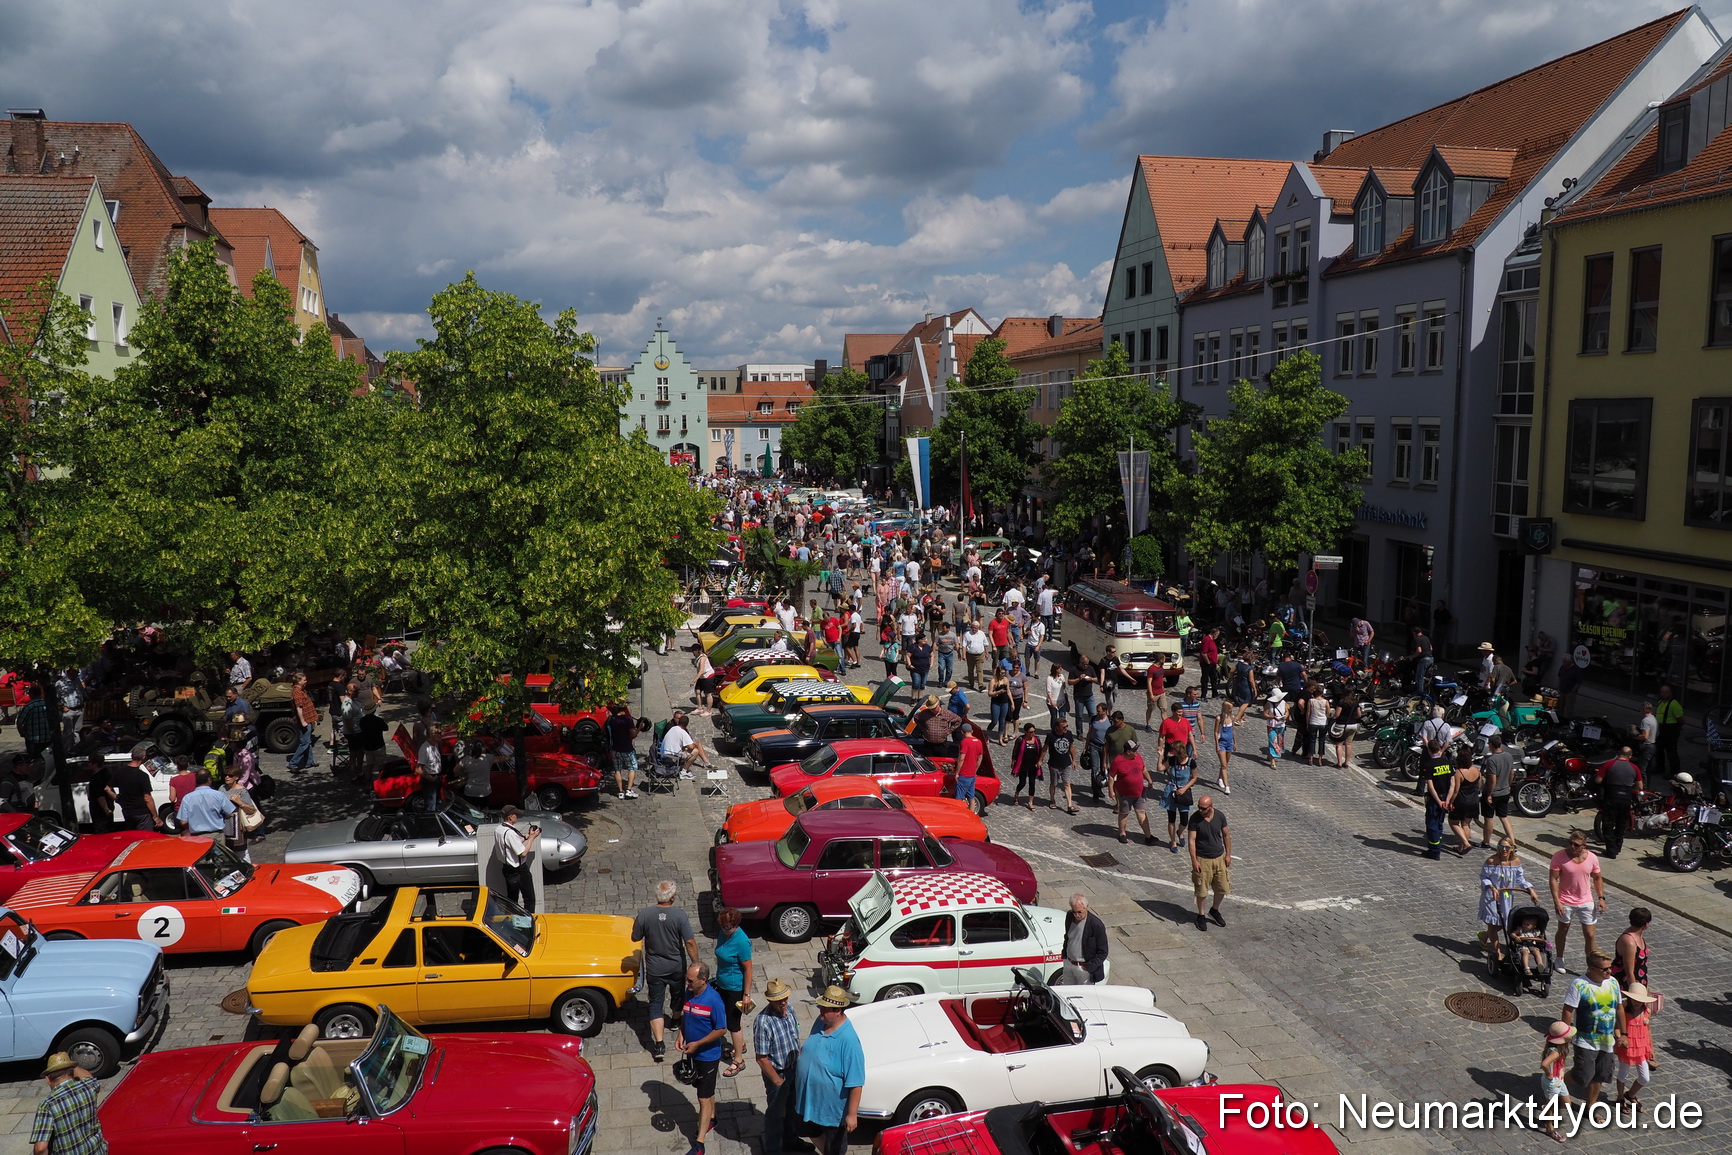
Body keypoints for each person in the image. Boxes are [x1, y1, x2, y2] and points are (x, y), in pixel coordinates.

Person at [794, 987, 866, 1155]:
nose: (820, 1011)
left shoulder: (849, 1041)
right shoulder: (822, 1021)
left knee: (835, 1147)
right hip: (809, 1101)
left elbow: (856, 1081)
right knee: (808, 1130)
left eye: (825, 1008)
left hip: (832, 1111)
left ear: (838, 1011)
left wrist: (852, 1115)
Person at [633, 880, 700, 1061]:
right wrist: (696, 962)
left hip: (655, 968)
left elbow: (635, 936)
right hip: (676, 966)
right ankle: (676, 1019)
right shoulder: (679, 916)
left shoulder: (645, 915)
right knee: (678, 993)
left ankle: (659, 1044)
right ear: (673, 897)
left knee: (655, 1003)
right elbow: (690, 942)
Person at [1560, 951, 1625, 1107]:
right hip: (1585, 1040)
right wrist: (1566, 1034)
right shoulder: (1579, 985)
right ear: (1592, 968)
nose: (1610, 971)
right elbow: (1568, 1010)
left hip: (1607, 1040)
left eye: (1610, 967)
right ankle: (1557, 1085)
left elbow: (1619, 1008)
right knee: (1582, 1075)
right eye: (1605, 969)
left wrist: (1624, 1033)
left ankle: (1590, 1107)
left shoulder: (1613, 983)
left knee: (1599, 1076)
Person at [677, 963, 728, 1155]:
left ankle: (700, 1144)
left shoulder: (714, 1001)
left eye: (691, 980)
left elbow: (722, 1029)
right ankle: (712, 1118)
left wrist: (698, 1044)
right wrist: (681, 1034)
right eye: (686, 979)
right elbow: (686, 1015)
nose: (687, 983)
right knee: (705, 1088)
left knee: (703, 1097)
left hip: (707, 1056)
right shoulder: (690, 992)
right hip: (693, 1052)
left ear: (703, 980)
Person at [754, 978, 802, 1153]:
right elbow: (761, 1058)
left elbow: (795, 1035)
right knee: (776, 1115)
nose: (783, 1002)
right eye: (778, 1000)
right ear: (770, 1000)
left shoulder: (790, 1009)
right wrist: (776, 1081)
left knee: (792, 1109)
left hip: (793, 1068)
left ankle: (791, 1141)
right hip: (778, 1074)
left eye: (785, 998)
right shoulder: (763, 1022)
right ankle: (773, 1149)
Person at [1550, 832, 1606, 973]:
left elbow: (1597, 878)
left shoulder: (1592, 858)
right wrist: (1557, 901)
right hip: (1565, 900)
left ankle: (1591, 965)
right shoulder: (1559, 856)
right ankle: (1559, 958)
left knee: (1590, 935)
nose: (1572, 846)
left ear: (1584, 846)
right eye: (1570, 843)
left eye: (1576, 844)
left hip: (1586, 900)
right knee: (1563, 930)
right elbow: (1553, 879)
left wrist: (1601, 898)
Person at [30, 1052, 103, 1155]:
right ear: (72, 1072)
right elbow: (87, 1075)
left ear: (47, 1079)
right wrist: (70, 1063)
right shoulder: (89, 1086)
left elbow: (41, 1148)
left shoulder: (48, 1105)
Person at [1478, 841, 1538, 962]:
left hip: (1506, 897)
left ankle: (1484, 935)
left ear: (1512, 849)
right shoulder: (1491, 861)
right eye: (1501, 847)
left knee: (1504, 923)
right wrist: (1491, 887)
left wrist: (1530, 889)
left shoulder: (1516, 862)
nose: (1504, 850)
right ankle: (1497, 953)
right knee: (1493, 923)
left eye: (1507, 847)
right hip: (1491, 896)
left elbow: (1520, 878)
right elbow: (1484, 876)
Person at [712, 907, 755, 1078]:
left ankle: (739, 1060)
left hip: (735, 988)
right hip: (722, 983)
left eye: (728, 927)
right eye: (722, 927)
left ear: (736, 924)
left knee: (733, 1023)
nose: (724, 930)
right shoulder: (724, 933)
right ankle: (740, 1045)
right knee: (727, 1018)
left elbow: (748, 969)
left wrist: (746, 994)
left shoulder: (742, 941)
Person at [1188, 794, 1230, 932]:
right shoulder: (1194, 819)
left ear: (1211, 807)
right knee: (1201, 890)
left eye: (1203, 808)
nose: (1200, 810)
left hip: (1219, 858)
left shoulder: (1219, 816)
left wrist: (1228, 855)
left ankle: (1215, 910)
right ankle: (1201, 915)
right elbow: (1192, 840)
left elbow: (1226, 835)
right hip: (1202, 859)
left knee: (1222, 887)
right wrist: (1194, 860)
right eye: (1199, 807)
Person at [1614, 983, 1657, 1108]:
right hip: (1627, 1048)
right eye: (1635, 999)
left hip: (1641, 1047)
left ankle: (1631, 1094)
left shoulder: (1646, 1012)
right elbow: (1617, 1028)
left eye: (1640, 1000)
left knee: (1645, 1078)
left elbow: (1648, 1030)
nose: (1638, 1002)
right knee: (1623, 1074)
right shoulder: (1624, 1012)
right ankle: (1620, 1098)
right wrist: (1620, 1038)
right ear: (1630, 998)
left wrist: (1651, 1048)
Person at [1598, 746, 1641, 859]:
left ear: (1618, 753)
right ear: (1630, 756)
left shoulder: (1609, 764)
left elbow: (1598, 780)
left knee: (1608, 824)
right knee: (1621, 823)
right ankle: (1618, 846)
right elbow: (1640, 786)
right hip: (1626, 797)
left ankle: (1611, 850)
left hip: (1611, 796)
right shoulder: (1634, 768)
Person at [495, 806, 539, 913]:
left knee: (512, 900)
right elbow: (522, 853)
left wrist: (526, 837)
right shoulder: (510, 833)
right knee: (529, 899)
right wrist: (532, 839)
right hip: (519, 870)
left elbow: (511, 844)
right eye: (516, 814)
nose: (517, 816)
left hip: (507, 869)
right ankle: (528, 923)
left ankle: (512, 921)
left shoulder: (499, 829)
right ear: (510, 817)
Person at [1111, 739, 1154, 845]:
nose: (1137, 752)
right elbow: (1111, 776)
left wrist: (1149, 780)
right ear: (1128, 752)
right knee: (1124, 813)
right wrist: (1111, 790)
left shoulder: (1138, 757)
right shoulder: (1117, 761)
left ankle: (1148, 836)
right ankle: (1122, 834)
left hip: (1139, 792)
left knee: (1141, 812)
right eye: (1134, 750)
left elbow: (1143, 769)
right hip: (1125, 794)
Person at [112, 744, 163, 832]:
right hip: (142, 812)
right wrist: (155, 816)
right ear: (143, 757)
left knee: (132, 836)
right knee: (145, 837)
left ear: (132, 756)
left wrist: (117, 798)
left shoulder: (120, 772)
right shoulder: (142, 776)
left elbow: (107, 788)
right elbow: (147, 798)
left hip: (127, 811)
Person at [1538, 1022, 1576, 1138]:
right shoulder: (1555, 1052)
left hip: (1560, 1081)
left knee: (1567, 1103)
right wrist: (1548, 1073)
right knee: (1551, 1105)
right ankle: (1549, 1127)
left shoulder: (1559, 1049)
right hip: (1552, 1083)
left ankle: (1548, 1111)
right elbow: (1544, 1064)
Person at [1479, 735, 1516, 848]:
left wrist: (1489, 794)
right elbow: (1512, 773)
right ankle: (1513, 842)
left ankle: (1486, 842)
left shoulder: (1491, 760)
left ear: (1490, 745)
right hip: (1505, 791)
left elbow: (1492, 779)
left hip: (1493, 793)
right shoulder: (1509, 756)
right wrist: (1509, 785)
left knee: (1489, 818)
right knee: (1503, 817)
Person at [175, 769, 236, 838]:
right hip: (216, 835)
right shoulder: (219, 795)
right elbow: (230, 813)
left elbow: (183, 822)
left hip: (196, 837)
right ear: (209, 780)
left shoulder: (187, 798)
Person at [1064, 894, 1109, 983]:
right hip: (1069, 963)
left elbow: (1103, 952)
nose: (1076, 915)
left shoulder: (1096, 925)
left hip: (1083, 968)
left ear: (1086, 907)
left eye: (1079, 912)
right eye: (1074, 912)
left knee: (1082, 995)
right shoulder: (1069, 916)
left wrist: (1089, 967)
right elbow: (1068, 937)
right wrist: (1064, 956)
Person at [1421, 746, 1454, 861]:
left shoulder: (1429, 765)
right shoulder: (1448, 763)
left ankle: (1434, 851)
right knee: (1439, 823)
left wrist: (1439, 801)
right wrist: (1447, 800)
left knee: (1432, 825)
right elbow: (1452, 784)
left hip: (1435, 799)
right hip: (1445, 797)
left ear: (1430, 751)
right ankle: (1437, 846)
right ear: (1439, 750)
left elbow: (1431, 787)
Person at [1609, 907, 1651, 993]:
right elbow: (1629, 971)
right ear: (1646, 924)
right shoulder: (1629, 942)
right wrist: (1635, 993)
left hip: (1639, 980)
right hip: (1627, 984)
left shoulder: (1638, 936)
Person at [662, 711, 717, 777]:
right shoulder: (681, 731)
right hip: (671, 756)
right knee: (695, 751)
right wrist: (692, 745)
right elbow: (691, 747)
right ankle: (684, 772)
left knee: (697, 744)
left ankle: (706, 762)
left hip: (666, 752)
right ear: (687, 724)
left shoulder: (674, 728)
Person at [1448, 753, 1483, 855]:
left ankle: (1466, 844)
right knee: (1466, 824)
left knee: (1453, 822)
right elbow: (1479, 784)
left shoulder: (1458, 773)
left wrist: (1451, 802)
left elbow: (1455, 790)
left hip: (1462, 801)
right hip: (1474, 800)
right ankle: (1461, 847)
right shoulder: (1477, 770)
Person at [287, 672, 319, 775]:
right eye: (304, 680)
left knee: (308, 741)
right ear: (299, 681)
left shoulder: (302, 690)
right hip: (304, 720)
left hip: (308, 719)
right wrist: (303, 721)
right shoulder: (297, 692)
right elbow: (299, 708)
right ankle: (293, 763)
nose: (306, 681)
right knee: (304, 743)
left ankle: (309, 761)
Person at [1046, 716, 1078, 814]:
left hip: (1066, 763)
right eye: (1063, 727)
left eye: (1066, 726)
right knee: (1054, 784)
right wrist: (1040, 760)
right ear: (1057, 727)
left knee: (1067, 784)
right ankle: (1052, 799)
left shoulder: (1068, 734)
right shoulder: (1051, 735)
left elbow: (1071, 747)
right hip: (1054, 764)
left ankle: (1069, 805)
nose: (1066, 729)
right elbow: (1045, 748)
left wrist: (1074, 760)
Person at [606, 703, 640, 798]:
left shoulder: (612, 718)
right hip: (627, 749)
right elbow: (633, 734)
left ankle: (620, 791)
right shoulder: (627, 719)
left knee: (617, 770)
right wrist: (640, 728)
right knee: (632, 768)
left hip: (615, 749)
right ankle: (628, 790)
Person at [1008, 724, 1042, 810]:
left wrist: (1040, 761)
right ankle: (1017, 794)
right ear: (1025, 732)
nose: (1033, 733)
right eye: (1031, 732)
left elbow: (1040, 751)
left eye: (1034, 731)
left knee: (1032, 783)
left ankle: (1030, 802)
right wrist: (1013, 761)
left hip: (1033, 765)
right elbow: (1015, 751)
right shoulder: (1020, 739)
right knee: (1022, 783)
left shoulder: (1037, 739)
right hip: (1023, 765)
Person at [954, 724, 984, 806]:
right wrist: (975, 770)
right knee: (971, 797)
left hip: (964, 774)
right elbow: (980, 758)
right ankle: (971, 815)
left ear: (962, 732)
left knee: (958, 798)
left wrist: (957, 773)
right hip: (972, 775)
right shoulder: (979, 742)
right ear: (972, 731)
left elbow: (961, 759)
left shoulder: (964, 742)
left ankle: (959, 816)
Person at [1264, 689, 1288, 768]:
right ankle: (1272, 761)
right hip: (1272, 726)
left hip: (1281, 726)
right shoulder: (1268, 704)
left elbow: (1287, 711)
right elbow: (1265, 714)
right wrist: (1272, 717)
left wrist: (1286, 716)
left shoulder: (1284, 703)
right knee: (1272, 742)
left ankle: (1270, 755)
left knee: (1278, 742)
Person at [1144, 664, 1169, 731]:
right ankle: (1148, 725)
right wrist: (1151, 694)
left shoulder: (1161, 667)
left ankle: (1167, 727)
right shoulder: (1151, 669)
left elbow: (1161, 678)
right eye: (1164, 659)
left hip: (1161, 692)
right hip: (1154, 693)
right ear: (1161, 660)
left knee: (1164, 709)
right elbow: (1149, 682)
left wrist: (1163, 688)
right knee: (1150, 709)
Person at [1199, 629, 1221, 699]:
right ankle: (1203, 695)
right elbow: (1204, 653)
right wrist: (1208, 662)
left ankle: (1215, 693)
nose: (1217, 637)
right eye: (1217, 635)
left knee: (1214, 679)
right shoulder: (1207, 640)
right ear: (1214, 634)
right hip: (1207, 664)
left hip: (1213, 663)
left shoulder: (1212, 641)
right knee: (1205, 679)